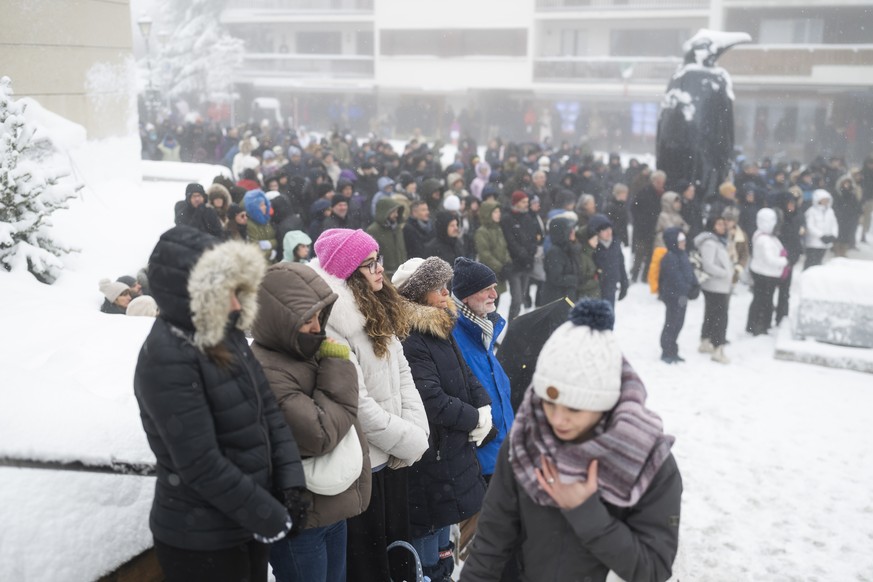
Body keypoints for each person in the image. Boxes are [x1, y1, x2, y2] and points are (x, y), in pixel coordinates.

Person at [461, 299, 682, 582]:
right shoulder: (527, 440)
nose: (558, 420)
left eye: (574, 408)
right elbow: (490, 545)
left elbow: (653, 569)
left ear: (606, 404)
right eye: (548, 403)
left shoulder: (647, 459)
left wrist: (585, 511)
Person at [133, 225, 308, 582]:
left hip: (246, 525)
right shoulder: (166, 358)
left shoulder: (226, 334)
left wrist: (291, 484)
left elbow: (268, 413)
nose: (236, 304)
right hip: (201, 543)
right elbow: (200, 464)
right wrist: (268, 515)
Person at [308, 229, 429, 582]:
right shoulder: (333, 325)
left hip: (394, 456)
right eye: (369, 264)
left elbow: (403, 374)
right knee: (371, 567)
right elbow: (357, 404)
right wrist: (407, 440)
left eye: (379, 260)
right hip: (365, 467)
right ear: (348, 273)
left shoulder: (376, 306)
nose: (379, 269)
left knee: (397, 558)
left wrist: (415, 432)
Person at [251, 262, 372, 582]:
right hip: (301, 518)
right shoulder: (267, 370)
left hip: (328, 505)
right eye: (307, 319)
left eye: (320, 315)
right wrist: (338, 363)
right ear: (280, 320)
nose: (318, 327)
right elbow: (320, 434)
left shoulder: (304, 349)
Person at [393, 257, 492, 582]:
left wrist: (484, 406)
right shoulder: (411, 336)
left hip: (449, 455)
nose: (447, 293)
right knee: (426, 558)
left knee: (443, 550)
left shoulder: (440, 324)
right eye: (438, 287)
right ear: (418, 293)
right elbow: (431, 399)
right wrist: (473, 418)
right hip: (430, 460)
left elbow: (466, 374)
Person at [450, 258, 514, 481]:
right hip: (480, 461)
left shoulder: (483, 330)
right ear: (466, 297)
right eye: (486, 289)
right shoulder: (453, 336)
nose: (494, 295)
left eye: (494, 287)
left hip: (503, 453)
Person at [694, 216, 733, 364]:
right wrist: (725, 273)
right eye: (719, 224)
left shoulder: (719, 241)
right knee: (720, 317)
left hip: (719, 285)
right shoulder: (710, 243)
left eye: (723, 224)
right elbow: (708, 265)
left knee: (712, 314)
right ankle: (718, 347)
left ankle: (706, 341)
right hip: (715, 285)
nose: (722, 227)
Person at [658, 229, 698, 364]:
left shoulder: (683, 255)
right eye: (680, 241)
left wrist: (695, 285)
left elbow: (689, 272)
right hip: (673, 297)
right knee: (672, 323)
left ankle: (673, 349)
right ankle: (666, 350)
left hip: (682, 296)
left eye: (684, 240)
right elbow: (675, 278)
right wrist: (687, 289)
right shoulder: (670, 257)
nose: (683, 243)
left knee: (679, 323)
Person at [747, 208, 788, 336]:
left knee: (760, 300)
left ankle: (756, 324)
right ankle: (759, 325)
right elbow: (770, 259)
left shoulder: (763, 235)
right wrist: (785, 261)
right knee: (764, 301)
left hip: (765, 273)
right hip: (765, 274)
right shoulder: (764, 240)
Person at [501, 191, 540, 322]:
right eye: (523, 202)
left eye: (527, 202)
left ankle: (515, 327)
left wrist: (532, 251)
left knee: (521, 298)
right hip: (514, 265)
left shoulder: (528, 217)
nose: (526, 204)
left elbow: (533, 238)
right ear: (516, 203)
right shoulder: (507, 219)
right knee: (516, 300)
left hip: (527, 264)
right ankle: (511, 328)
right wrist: (522, 253)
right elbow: (510, 242)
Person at [474, 200, 511, 300]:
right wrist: (500, 267)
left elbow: (504, 247)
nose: (499, 214)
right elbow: (485, 254)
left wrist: (507, 262)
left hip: (499, 273)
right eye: (495, 212)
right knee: (490, 302)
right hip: (489, 274)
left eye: (499, 212)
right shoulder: (482, 232)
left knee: (496, 300)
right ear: (487, 214)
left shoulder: (498, 229)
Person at [589, 214, 628, 308]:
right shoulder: (592, 247)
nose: (608, 232)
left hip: (611, 286)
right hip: (595, 289)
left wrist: (624, 283)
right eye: (604, 230)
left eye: (609, 228)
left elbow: (621, 264)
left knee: (609, 312)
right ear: (597, 232)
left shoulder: (615, 243)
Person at [540, 216, 580, 305]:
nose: (573, 232)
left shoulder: (568, 248)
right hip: (557, 300)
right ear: (563, 233)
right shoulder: (555, 252)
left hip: (567, 298)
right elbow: (556, 278)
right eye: (570, 230)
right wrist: (576, 279)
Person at [366, 198, 407, 280]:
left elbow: (402, 250)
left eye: (397, 212)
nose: (396, 215)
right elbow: (374, 256)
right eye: (393, 212)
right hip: (385, 275)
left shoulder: (397, 228)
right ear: (384, 212)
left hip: (401, 273)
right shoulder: (373, 230)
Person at [803, 189, 838, 270]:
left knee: (818, 262)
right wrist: (821, 235)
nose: (825, 201)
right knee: (810, 262)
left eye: (827, 200)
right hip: (813, 243)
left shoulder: (830, 211)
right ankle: (806, 275)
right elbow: (810, 226)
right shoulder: (811, 211)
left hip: (825, 243)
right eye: (823, 199)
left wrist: (833, 235)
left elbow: (834, 224)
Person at [244, 189, 278, 262]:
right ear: (254, 208)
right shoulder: (250, 225)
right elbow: (254, 248)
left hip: (273, 262)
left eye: (265, 204)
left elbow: (276, 239)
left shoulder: (266, 220)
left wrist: (269, 243)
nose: (265, 207)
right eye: (261, 205)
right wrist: (269, 253)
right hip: (261, 264)